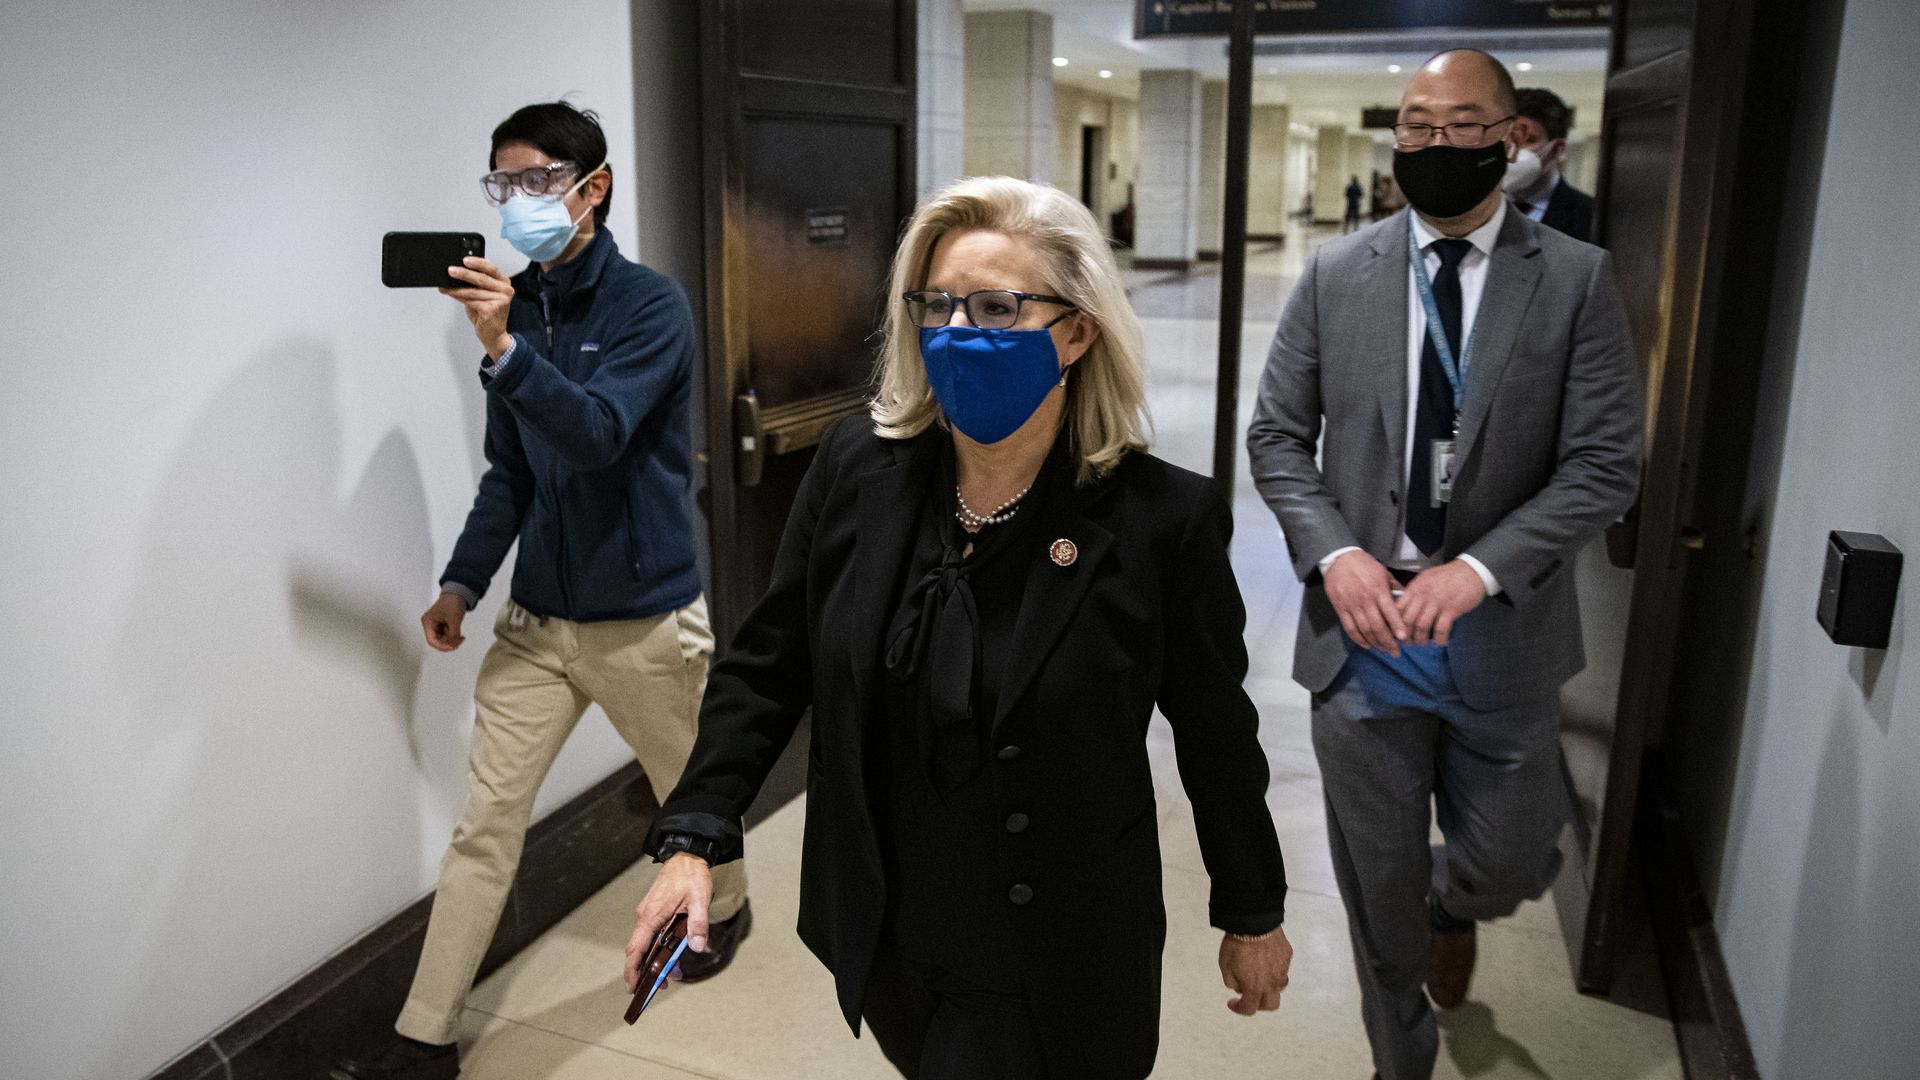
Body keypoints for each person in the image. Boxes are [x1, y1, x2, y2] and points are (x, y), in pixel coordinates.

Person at [625, 175, 1294, 1079]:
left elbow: (1215, 729)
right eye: (936, 305)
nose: (956, 331)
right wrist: (695, 836)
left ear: (1078, 330)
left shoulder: (1157, 521)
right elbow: (771, 662)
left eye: (995, 306)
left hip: (1052, 947)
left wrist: (1251, 907)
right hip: (891, 929)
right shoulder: (860, 469)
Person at [331, 101, 751, 1080]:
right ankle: (424, 1037)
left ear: (592, 188)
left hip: (646, 622)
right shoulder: (516, 308)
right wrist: (462, 583)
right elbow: (512, 474)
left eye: (533, 182)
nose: (515, 201)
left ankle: (725, 905)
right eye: (500, 184)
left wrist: (506, 351)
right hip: (537, 627)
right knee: (484, 833)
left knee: (690, 796)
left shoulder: (654, 308)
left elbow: (600, 436)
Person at [1245, 50, 1642, 1080]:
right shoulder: (1339, 274)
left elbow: (1606, 464)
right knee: (1374, 894)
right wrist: (1334, 554)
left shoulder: (1575, 279)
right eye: (1416, 124)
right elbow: (1278, 437)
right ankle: (1401, 1058)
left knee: (1508, 860)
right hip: (1364, 635)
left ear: (1512, 139)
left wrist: (1480, 570)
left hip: (1498, 632)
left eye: (1463, 124)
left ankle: (1454, 901)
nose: (1435, 143)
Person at [1504, 87, 1596, 242]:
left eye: (1528, 140)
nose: (1512, 150)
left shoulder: (1591, 216)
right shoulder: (1474, 206)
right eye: (1508, 138)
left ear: (1556, 149)